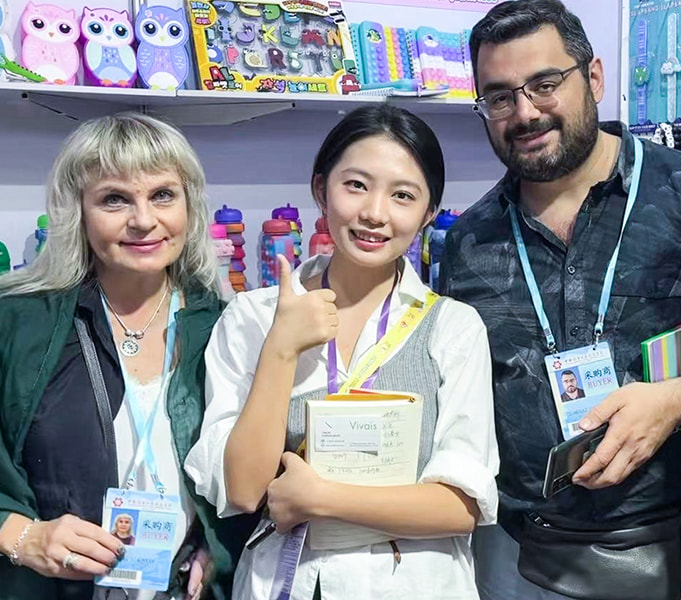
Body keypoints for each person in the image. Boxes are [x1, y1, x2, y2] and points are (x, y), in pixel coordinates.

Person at [438, 1, 681, 598]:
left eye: (545, 84)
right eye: (499, 97)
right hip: (515, 555)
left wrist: (680, 400)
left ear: (594, 77)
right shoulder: (469, 242)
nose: (525, 112)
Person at [185, 104, 499, 600]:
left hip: (413, 586)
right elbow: (244, 489)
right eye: (356, 185)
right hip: (286, 582)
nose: (375, 212)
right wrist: (281, 349)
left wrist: (322, 499)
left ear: (428, 214)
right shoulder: (252, 316)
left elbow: (460, 506)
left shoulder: (454, 328)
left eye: (402, 195)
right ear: (320, 189)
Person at [0, 113, 256, 600]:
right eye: (114, 199)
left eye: (163, 195)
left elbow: (251, 476)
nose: (143, 220)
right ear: (77, 210)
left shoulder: (227, 326)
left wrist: (214, 541)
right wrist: (23, 537)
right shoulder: (17, 324)